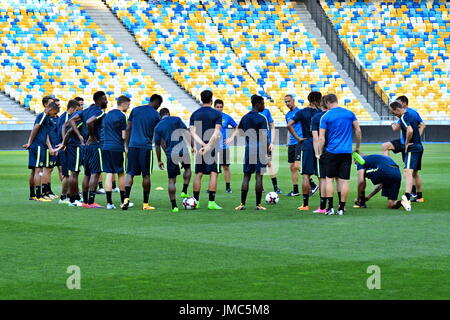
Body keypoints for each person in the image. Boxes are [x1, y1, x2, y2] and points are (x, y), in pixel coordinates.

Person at [318, 94, 362, 216]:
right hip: (346, 152)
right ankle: (341, 208)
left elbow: (321, 138)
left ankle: (330, 207)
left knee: (329, 179)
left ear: (327, 102)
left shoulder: (325, 116)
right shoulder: (349, 113)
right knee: (345, 181)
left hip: (331, 151)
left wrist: (319, 152)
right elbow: (358, 130)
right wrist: (357, 147)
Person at [122, 94, 162, 210]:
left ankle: (126, 199)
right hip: (145, 147)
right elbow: (157, 134)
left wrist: (127, 146)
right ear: (157, 103)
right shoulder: (156, 114)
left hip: (133, 146)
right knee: (146, 175)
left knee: (130, 173)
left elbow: (128, 128)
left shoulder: (135, 110)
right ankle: (145, 204)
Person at [69, 91, 108, 208]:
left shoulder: (86, 110)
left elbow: (71, 120)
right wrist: (92, 136)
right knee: (95, 173)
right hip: (95, 146)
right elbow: (89, 121)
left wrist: (81, 136)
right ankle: (91, 202)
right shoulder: (99, 112)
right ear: (99, 100)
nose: (106, 101)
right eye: (105, 99)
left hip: (85, 146)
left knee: (87, 174)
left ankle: (85, 201)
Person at [383, 96, 425, 202]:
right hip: (418, 146)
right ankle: (419, 196)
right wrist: (417, 139)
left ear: (398, 108)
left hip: (412, 147)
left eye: (394, 113)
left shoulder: (403, 117)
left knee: (408, 171)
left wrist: (406, 143)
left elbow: (409, 130)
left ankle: (407, 196)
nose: (394, 115)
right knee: (414, 173)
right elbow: (421, 125)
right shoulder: (412, 114)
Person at [287, 91, 321, 210]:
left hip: (306, 143)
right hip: (320, 145)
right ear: (319, 100)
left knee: (306, 175)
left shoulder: (302, 112)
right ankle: (323, 204)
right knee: (322, 176)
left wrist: (298, 138)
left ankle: (305, 204)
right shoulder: (322, 113)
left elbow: (289, 125)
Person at [154, 108, 193, 212]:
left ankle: (174, 206)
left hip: (171, 153)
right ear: (168, 113)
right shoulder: (176, 119)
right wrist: (192, 146)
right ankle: (184, 190)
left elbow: (157, 146)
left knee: (171, 180)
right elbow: (186, 132)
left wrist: (159, 160)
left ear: (160, 116)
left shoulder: (158, 126)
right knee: (188, 169)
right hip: (182, 149)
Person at [189, 90, 223, 210]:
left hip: (199, 148)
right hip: (213, 146)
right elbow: (216, 131)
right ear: (211, 100)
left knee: (199, 173)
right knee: (214, 173)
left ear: (201, 99)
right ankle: (211, 202)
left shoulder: (194, 114)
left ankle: (196, 201)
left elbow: (192, 132)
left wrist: (202, 144)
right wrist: (208, 145)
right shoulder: (217, 114)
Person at [235, 95, 269, 211]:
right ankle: (258, 205)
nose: (264, 106)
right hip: (260, 148)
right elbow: (264, 137)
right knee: (259, 176)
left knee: (246, 176)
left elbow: (240, 132)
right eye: (263, 103)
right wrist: (267, 153)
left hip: (249, 148)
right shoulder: (262, 118)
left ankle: (242, 204)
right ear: (258, 104)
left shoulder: (244, 117)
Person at [23, 101, 60, 202]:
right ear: (51, 109)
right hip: (38, 145)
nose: (55, 115)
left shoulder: (45, 117)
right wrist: (29, 142)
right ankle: (39, 196)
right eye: (55, 113)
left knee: (35, 170)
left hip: (39, 145)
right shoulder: (43, 116)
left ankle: (33, 195)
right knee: (39, 170)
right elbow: (35, 128)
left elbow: (46, 135)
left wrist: (50, 147)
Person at [101, 95, 131, 209]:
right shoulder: (122, 116)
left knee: (109, 173)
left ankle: (109, 203)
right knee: (121, 173)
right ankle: (123, 201)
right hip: (117, 147)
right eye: (128, 105)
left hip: (106, 146)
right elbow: (124, 135)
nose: (128, 107)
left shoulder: (107, 115)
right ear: (123, 104)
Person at [56, 99, 80, 204]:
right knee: (68, 173)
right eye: (77, 109)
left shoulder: (64, 116)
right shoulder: (66, 117)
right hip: (66, 148)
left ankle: (71, 195)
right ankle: (65, 197)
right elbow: (63, 127)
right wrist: (64, 143)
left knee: (70, 173)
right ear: (73, 108)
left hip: (65, 146)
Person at [214, 99, 238, 194]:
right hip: (213, 147)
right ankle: (212, 188)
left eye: (221, 107)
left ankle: (228, 187)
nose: (219, 109)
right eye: (217, 107)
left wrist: (231, 138)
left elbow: (236, 127)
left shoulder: (226, 117)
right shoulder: (211, 117)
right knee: (213, 169)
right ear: (214, 107)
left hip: (224, 147)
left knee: (226, 167)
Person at [311, 98, 329, 214]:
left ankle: (322, 207)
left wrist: (317, 152)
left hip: (324, 151)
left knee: (323, 179)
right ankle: (342, 206)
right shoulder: (335, 115)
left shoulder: (317, 118)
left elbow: (316, 138)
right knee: (339, 179)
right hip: (337, 149)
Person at [259, 104, 281, 194]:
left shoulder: (266, 111)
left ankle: (275, 187)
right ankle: (260, 187)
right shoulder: (252, 113)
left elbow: (272, 126)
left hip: (266, 142)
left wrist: (272, 142)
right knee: (261, 165)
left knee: (269, 163)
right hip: (257, 143)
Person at [284, 94, 302, 197]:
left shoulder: (299, 112)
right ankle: (295, 190)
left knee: (297, 165)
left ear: (293, 100)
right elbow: (289, 129)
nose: (287, 103)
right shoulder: (287, 115)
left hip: (299, 141)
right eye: (286, 102)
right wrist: (288, 141)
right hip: (291, 143)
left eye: (289, 101)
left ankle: (312, 183)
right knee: (292, 167)